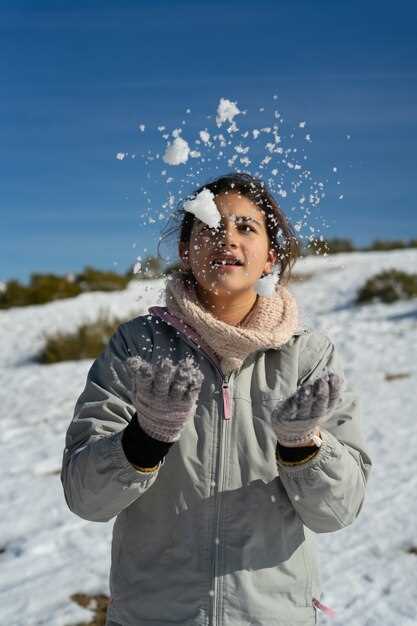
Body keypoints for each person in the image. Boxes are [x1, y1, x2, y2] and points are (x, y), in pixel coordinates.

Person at [61, 172, 372, 626]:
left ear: (270, 256)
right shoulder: (138, 348)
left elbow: (338, 511)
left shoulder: (306, 355)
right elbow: (86, 499)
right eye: (210, 226)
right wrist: (145, 440)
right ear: (186, 251)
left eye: (246, 227)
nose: (226, 237)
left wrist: (304, 446)